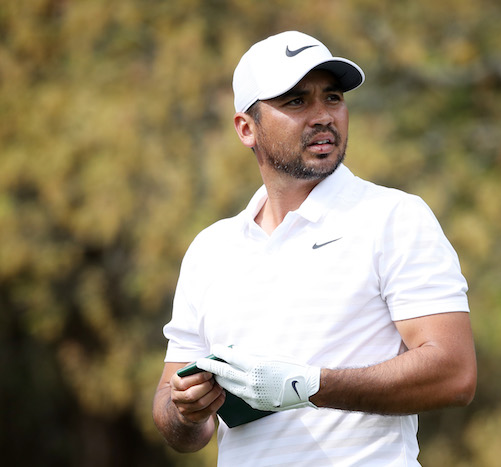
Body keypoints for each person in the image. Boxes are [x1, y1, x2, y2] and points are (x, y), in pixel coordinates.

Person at [152, 30, 477, 466]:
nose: (323, 116)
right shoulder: (211, 249)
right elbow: (176, 418)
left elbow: (455, 374)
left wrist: (309, 385)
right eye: (296, 102)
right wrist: (186, 411)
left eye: (333, 98)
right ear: (247, 129)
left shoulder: (395, 217)